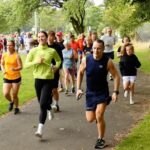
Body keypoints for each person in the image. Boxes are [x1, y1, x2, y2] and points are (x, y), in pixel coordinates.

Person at [76, 39, 120, 149]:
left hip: (102, 93)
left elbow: (116, 76)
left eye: (99, 48)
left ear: (103, 49)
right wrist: (78, 88)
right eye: (94, 48)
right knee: (90, 119)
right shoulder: (86, 59)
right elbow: (80, 73)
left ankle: (101, 139)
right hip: (90, 93)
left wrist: (115, 92)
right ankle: (99, 121)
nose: (96, 50)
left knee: (99, 115)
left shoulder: (107, 61)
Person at [25, 31, 61, 138]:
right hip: (37, 80)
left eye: (43, 37)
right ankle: (50, 109)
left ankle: (40, 129)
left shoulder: (52, 50)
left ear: (46, 38)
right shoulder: (33, 51)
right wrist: (36, 61)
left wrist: (56, 67)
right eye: (39, 37)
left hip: (48, 79)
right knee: (43, 104)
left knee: (42, 104)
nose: (41, 38)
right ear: (38, 38)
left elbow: (58, 61)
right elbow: (26, 65)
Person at [1, 40, 22, 114]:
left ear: (13, 46)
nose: (8, 47)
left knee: (14, 94)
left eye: (10, 45)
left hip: (16, 77)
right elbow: (2, 64)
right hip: (7, 77)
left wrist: (15, 69)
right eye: (7, 45)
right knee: (6, 93)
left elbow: (21, 66)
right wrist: (3, 70)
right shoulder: (4, 54)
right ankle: (11, 101)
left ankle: (16, 108)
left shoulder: (17, 55)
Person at [48, 31, 63, 112]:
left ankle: (56, 104)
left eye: (52, 36)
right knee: (47, 88)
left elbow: (60, 59)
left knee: (54, 89)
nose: (50, 38)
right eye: (49, 36)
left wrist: (57, 68)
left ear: (54, 38)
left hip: (55, 70)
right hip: (46, 70)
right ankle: (49, 103)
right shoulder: (44, 46)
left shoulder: (58, 46)